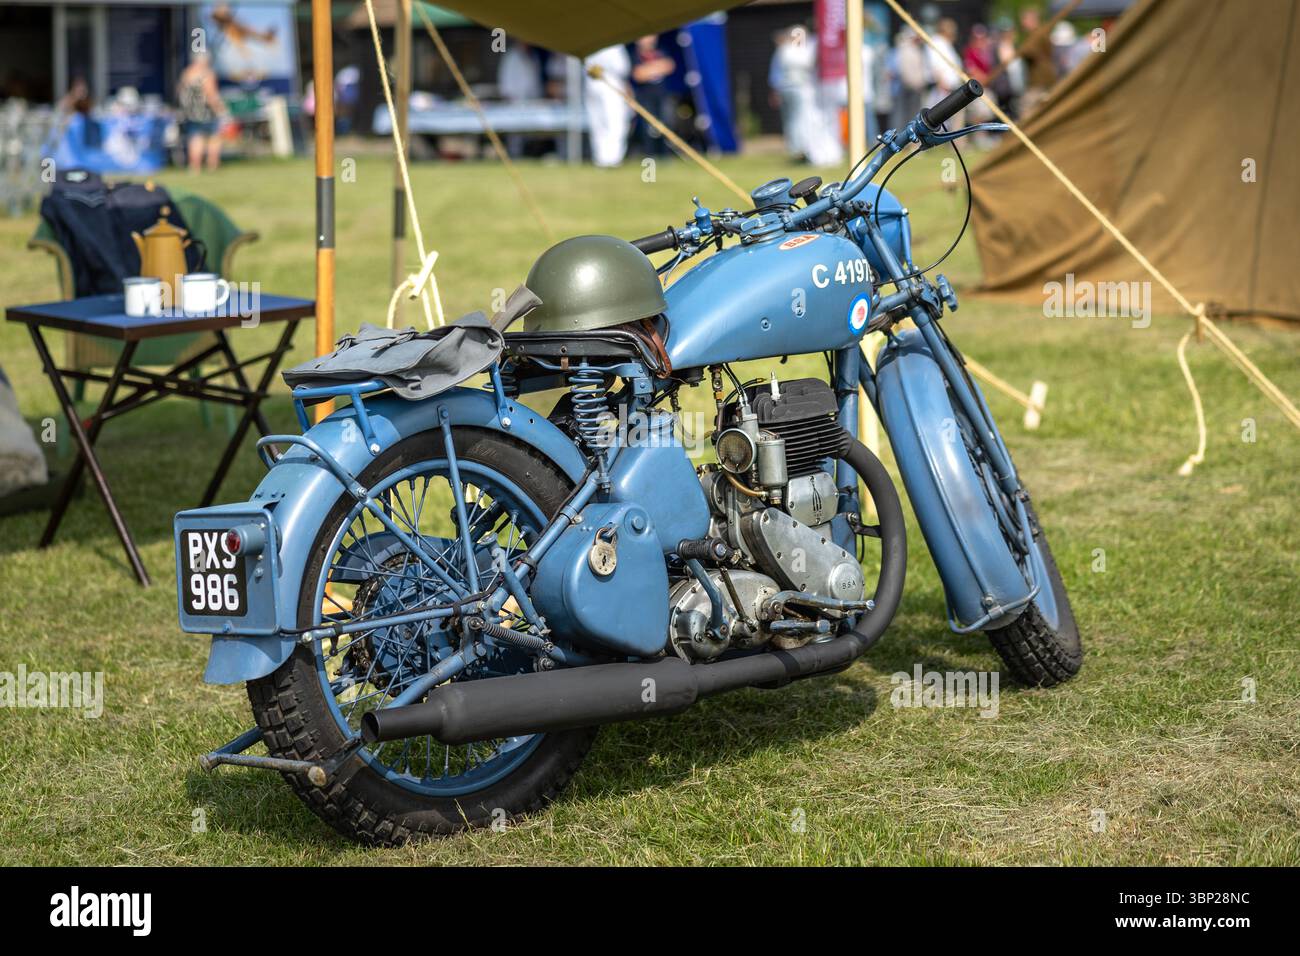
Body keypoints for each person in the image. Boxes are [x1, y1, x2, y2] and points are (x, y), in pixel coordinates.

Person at [769, 26, 817, 160]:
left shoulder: (784, 50)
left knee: (792, 120)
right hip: (797, 88)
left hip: (788, 88)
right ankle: (799, 149)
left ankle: (796, 148)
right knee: (797, 119)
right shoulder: (799, 51)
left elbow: (775, 72)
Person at [176, 53, 227, 173]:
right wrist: (220, 110)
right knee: (214, 137)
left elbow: (179, 91)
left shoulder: (187, 73)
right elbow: (211, 93)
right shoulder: (207, 74)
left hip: (191, 112)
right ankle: (212, 165)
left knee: (195, 137)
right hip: (207, 111)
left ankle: (195, 167)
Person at [583, 44, 633, 167]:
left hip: (591, 84)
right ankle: (612, 159)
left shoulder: (588, 41)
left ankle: (601, 158)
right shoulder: (613, 44)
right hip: (610, 83)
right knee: (615, 122)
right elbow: (621, 66)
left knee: (598, 123)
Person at [631, 35, 676, 156]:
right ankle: (650, 155)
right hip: (645, 97)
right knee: (648, 128)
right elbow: (638, 74)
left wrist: (648, 69)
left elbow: (669, 65)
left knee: (666, 124)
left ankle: (665, 155)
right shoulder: (634, 55)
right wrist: (657, 67)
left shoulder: (662, 51)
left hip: (662, 96)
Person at [1018, 6, 1057, 115]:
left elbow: (1027, 51)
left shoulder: (1038, 34)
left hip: (1041, 81)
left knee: (1026, 109)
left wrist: (1019, 51)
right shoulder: (1035, 34)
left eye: (1024, 20)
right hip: (1038, 80)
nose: (1022, 23)